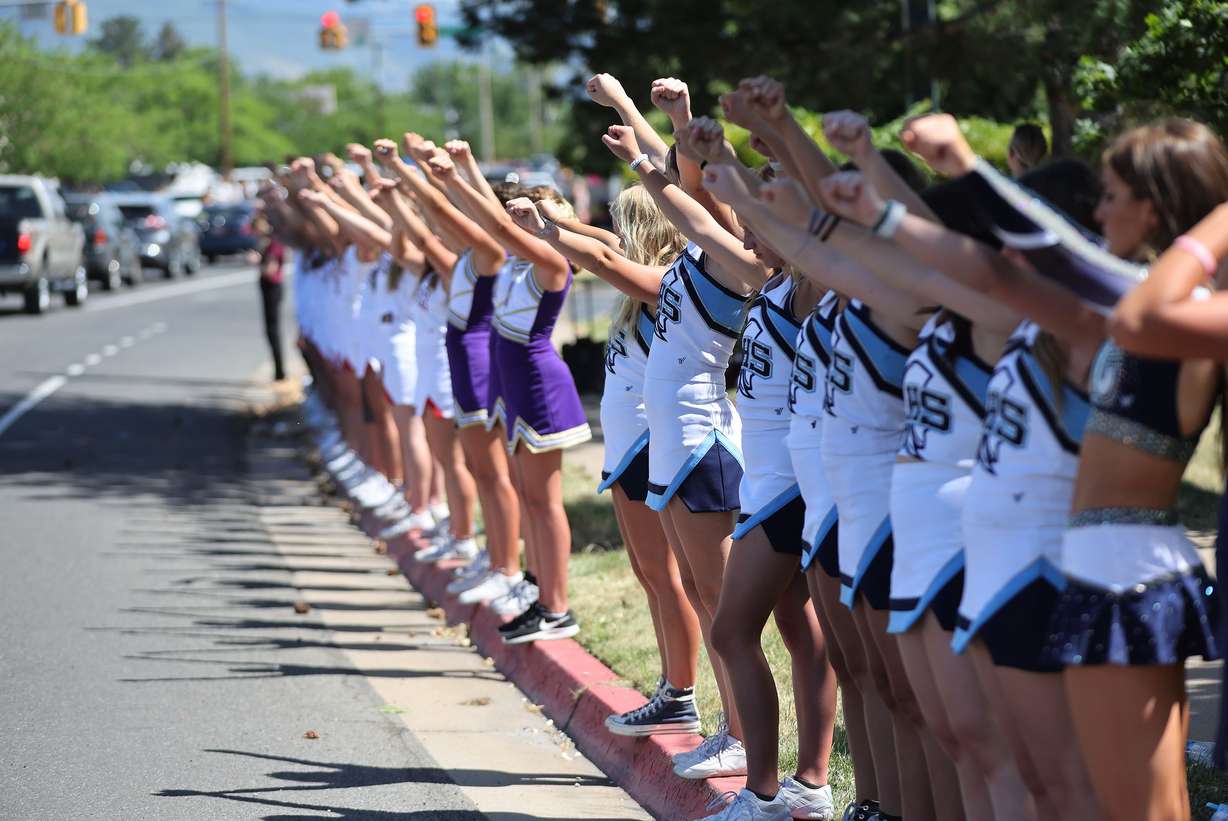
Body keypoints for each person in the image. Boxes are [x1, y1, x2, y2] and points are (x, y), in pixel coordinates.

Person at [254, 213, 287, 382]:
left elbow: (270, 270)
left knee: (273, 330)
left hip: (273, 287)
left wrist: (257, 262)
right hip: (268, 287)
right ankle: (278, 369)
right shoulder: (267, 242)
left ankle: (280, 370)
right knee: (270, 330)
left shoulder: (274, 243)